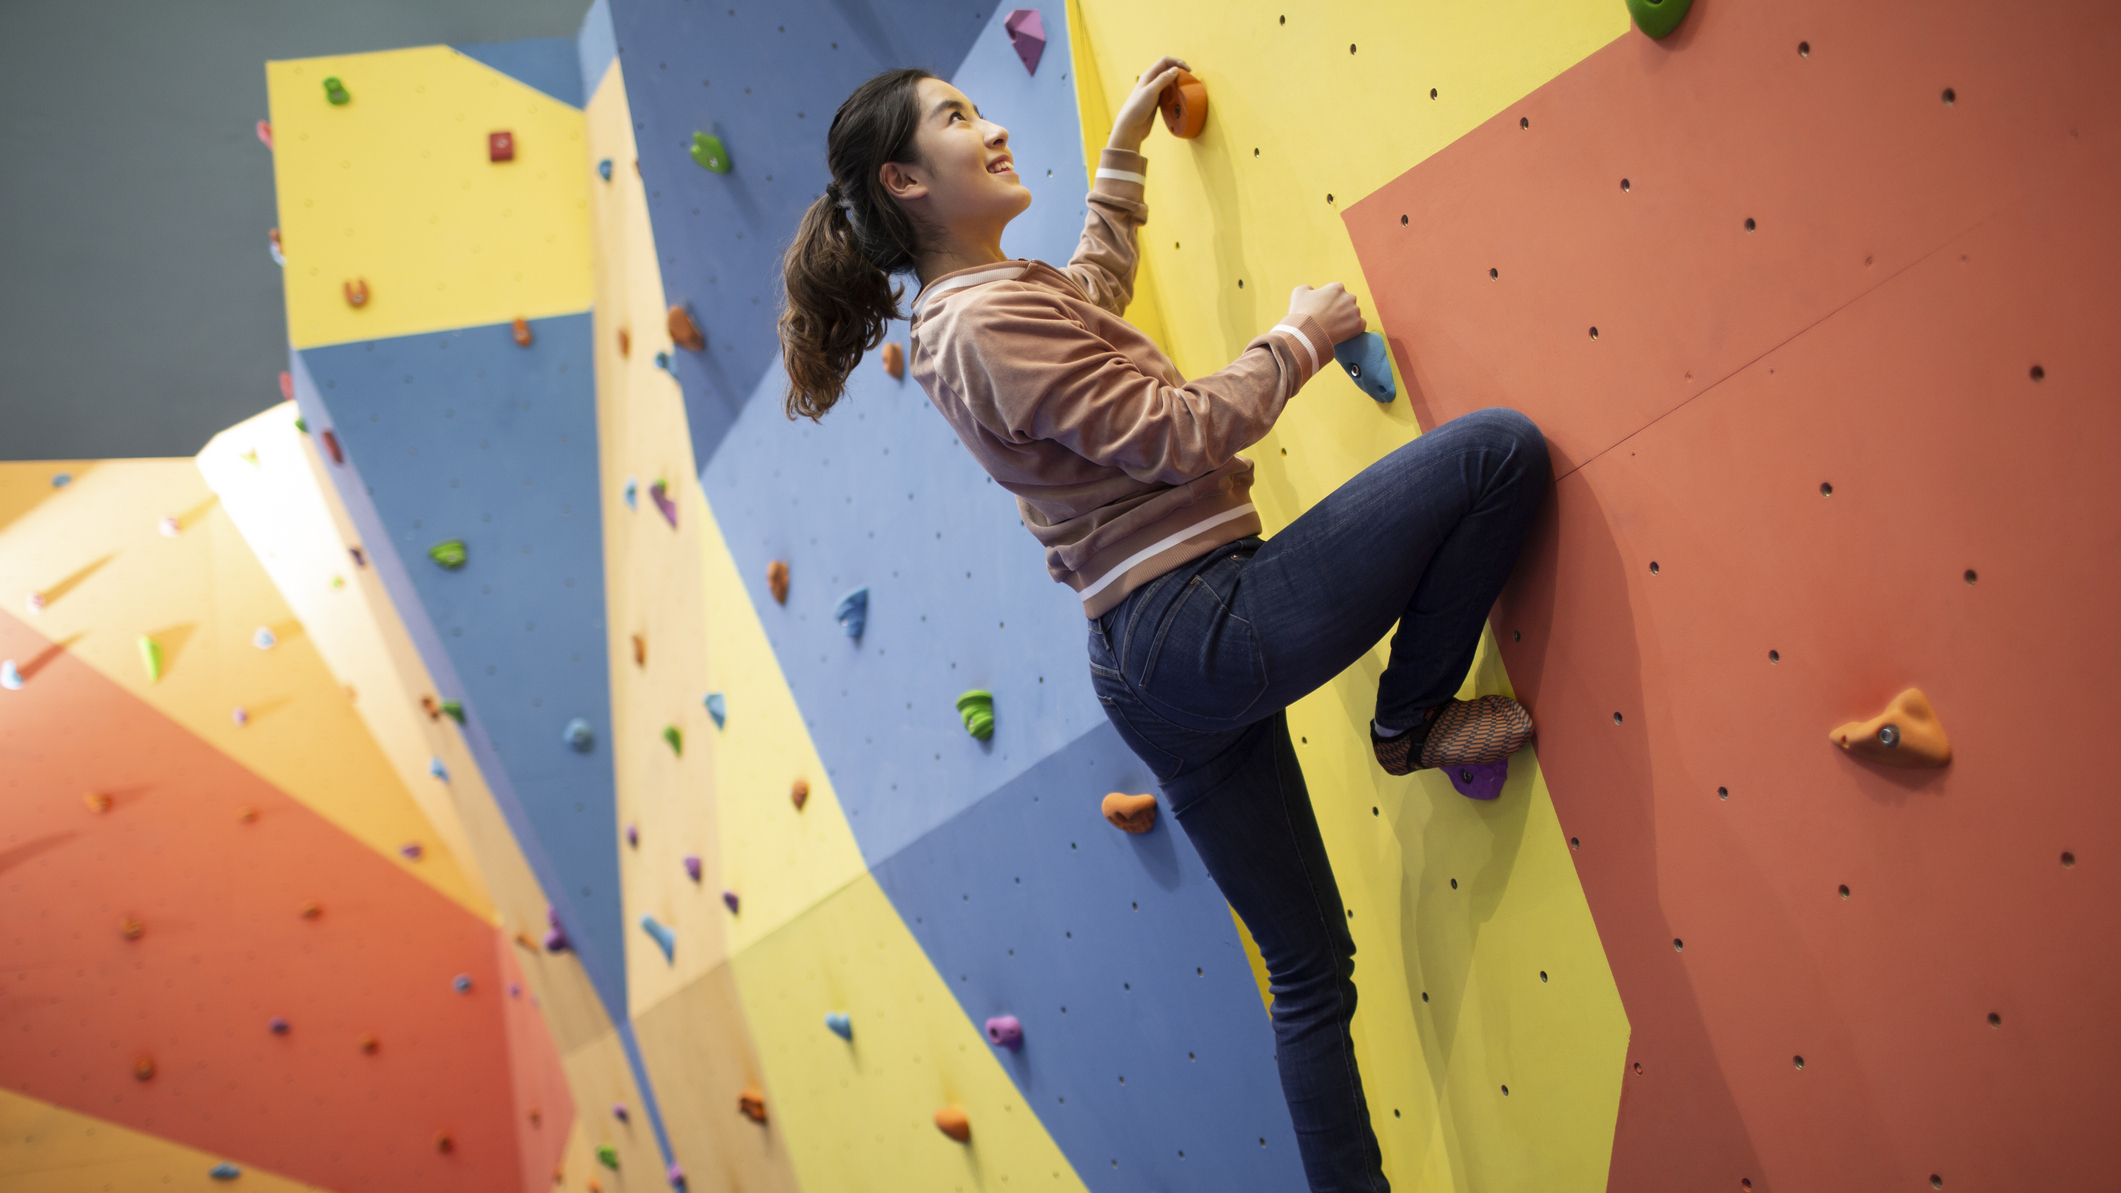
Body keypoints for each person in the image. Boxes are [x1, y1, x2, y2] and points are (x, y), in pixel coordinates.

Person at [778, 58, 1548, 1193]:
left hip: (1158, 652)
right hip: (1196, 620)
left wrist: (1125, 149)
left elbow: (1088, 295)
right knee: (1499, 453)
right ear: (905, 181)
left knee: (1307, 969)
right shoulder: (984, 324)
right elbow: (1173, 432)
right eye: (957, 119)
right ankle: (1411, 717)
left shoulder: (978, 309)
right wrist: (1300, 340)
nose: (989, 126)